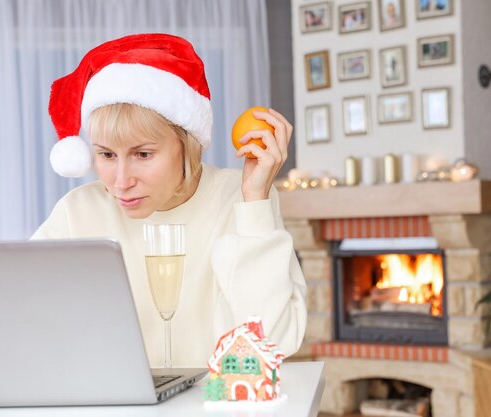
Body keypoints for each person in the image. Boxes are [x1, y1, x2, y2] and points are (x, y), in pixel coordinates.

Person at [31, 33, 307, 368]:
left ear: (187, 145)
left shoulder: (242, 198)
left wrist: (254, 202)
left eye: (143, 154)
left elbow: (271, 342)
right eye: (105, 154)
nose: (121, 181)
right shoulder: (78, 212)